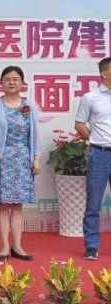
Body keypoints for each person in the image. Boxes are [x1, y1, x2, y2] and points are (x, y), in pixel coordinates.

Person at [0, 65, 41, 262]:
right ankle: (4, 246)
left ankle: (17, 245)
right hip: (1, 160)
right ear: (1, 83)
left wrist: (36, 158)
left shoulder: (29, 107)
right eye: (7, 79)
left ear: (22, 83)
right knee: (3, 205)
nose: (11, 82)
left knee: (17, 206)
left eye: (15, 79)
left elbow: (34, 135)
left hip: (22, 160)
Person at [75, 56, 111, 261]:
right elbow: (79, 123)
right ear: (104, 73)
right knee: (94, 203)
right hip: (99, 154)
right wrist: (94, 138)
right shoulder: (90, 97)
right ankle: (91, 246)